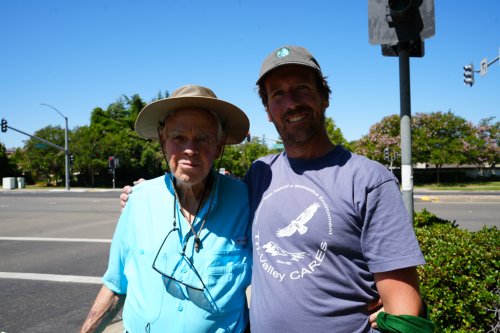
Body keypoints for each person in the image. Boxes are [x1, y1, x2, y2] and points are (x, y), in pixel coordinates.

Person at [122, 46, 432, 332]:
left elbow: (404, 307)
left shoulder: (367, 180)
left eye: (301, 89)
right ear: (268, 111)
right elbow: (205, 192)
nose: (292, 102)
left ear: (324, 97)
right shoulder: (260, 174)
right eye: (278, 95)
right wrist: (149, 193)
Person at [81, 85, 252, 333]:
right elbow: (116, 287)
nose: (190, 150)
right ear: (163, 139)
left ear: (219, 145)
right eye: (178, 138)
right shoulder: (138, 202)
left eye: (203, 138)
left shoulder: (245, 202)